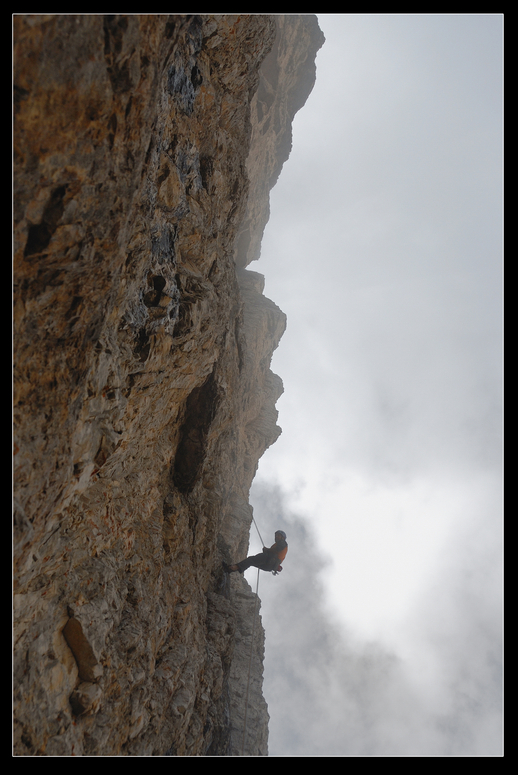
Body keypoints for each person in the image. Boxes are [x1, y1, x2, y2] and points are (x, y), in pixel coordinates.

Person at [224, 530, 288, 575]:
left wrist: (267, 550)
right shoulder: (278, 544)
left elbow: (278, 549)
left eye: (278, 535)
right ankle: (231, 570)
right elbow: (276, 551)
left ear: (283, 537)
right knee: (251, 562)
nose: (276, 537)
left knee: (251, 560)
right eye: (276, 535)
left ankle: (232, 568)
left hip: (270, 558)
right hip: (270, 567)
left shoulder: (283, 543)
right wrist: (267, 550)